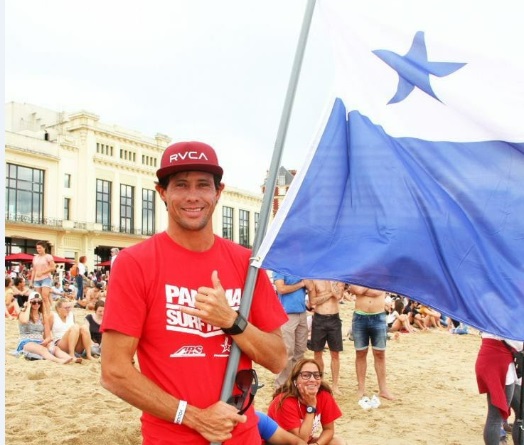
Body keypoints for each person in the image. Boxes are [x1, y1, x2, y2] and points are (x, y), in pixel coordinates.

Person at [100, 141, 288, 444]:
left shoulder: (245, 263)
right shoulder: (135, 263)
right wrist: (194, 417)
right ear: (162, 192)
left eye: (203, 185)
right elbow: (114, 371)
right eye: (181, 185)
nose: (192, 196)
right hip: (171, 437)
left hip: (243, 435)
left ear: (218, 191)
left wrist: (231, 320)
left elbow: (278, 358)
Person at [268, 358, 344, 445]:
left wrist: (317, 444)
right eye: (306, 375)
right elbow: (301, 441)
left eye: (316, 375)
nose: (312, 379)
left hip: (305, 440)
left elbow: (329, 429)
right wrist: (311, 406)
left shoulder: (323, 395)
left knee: (337, 442)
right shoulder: (284, 401)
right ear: (295, 381)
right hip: (283, 443)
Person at [349, 284, 395, 408]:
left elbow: (374, 292)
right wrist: (365, 289)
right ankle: (361, 388)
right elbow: (355, 289)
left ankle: (383, 389)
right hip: (359, 316)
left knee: (380, 354)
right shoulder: (358, 272)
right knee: (360, 353)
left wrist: (362, 289)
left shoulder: (381, 274)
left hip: (378, 316)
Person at [475, 332, 523, 445]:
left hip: (496, 359)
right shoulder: (505, 318)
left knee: (521, 411)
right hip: (499, 362)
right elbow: (517, 343)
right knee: (495, 416)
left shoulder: (494, 316)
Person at [272, 273, 315, 388]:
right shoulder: (280, 268)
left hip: (301, 313)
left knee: (300, 350)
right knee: (288, 351)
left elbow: (310, 286)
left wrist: (311, 295)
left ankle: (295, 381)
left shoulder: (299, 268)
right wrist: (301, 284)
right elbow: (281, 289)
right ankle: (282, 384)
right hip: (287, 314)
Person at [308, 280, 345, 395]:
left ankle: (335, 385)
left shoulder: (337, 279)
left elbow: (338, 296)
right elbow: (313, 301)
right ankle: (320, 382)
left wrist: (330, 286)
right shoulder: (315, 280)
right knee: (317, 352)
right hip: (319, 318)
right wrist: (329, 294)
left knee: (335, 353)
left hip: (334, 318)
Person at [17, 292, 73, 364]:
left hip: (40, 341)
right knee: (42, 349)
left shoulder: (42, 316)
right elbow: (24, 321)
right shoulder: (23, 313)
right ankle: (58, 361)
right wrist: (28, 307)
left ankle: (69, 358)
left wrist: (46, 341)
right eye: (34, 302)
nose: (37, 304)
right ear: (29, 302)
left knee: (55, 348)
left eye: (39, 302)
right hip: (26, 342)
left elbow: (48, 336)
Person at [30, 241, 56, 319]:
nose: (38, 249)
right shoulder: (35, 257)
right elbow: (34, 270)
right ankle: (42, 312)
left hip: (46, 278)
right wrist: (31, 281)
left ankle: (48, 313)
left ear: (44, 248)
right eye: (37, 248)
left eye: (40, 248)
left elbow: (53, 267)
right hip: (37, 279)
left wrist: (42, 272)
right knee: (39, 298)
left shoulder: (48, 256)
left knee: (45, 296)